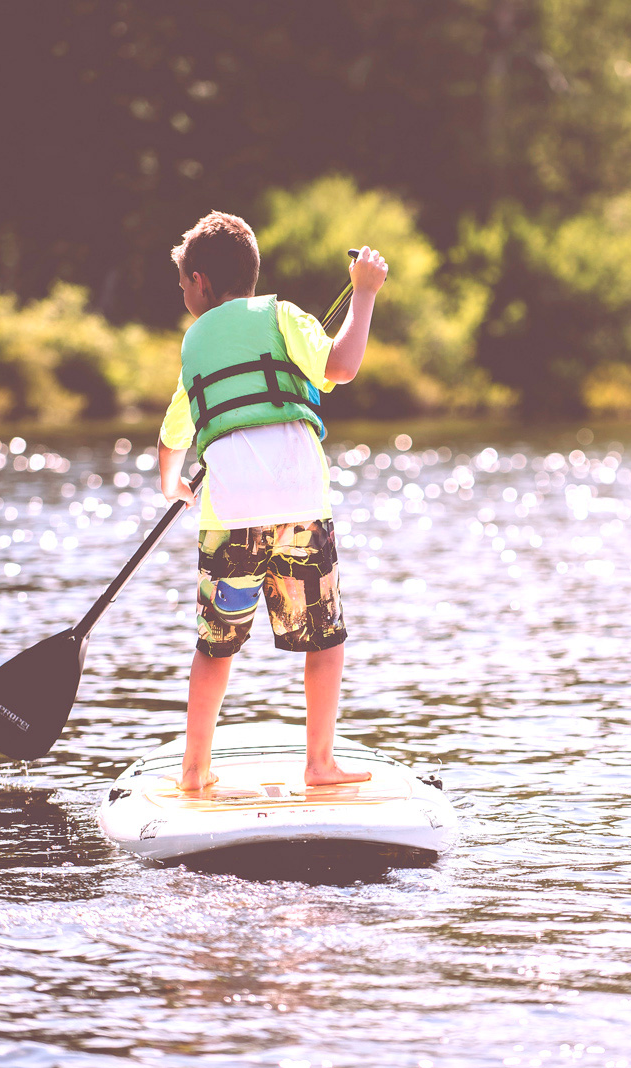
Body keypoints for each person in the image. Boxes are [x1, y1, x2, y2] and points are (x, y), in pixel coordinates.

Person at [156, 209, 387, 792]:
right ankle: (319, 764)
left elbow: (173, 434)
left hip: (229, 519)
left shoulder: (194, 344)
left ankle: (194, 771)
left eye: (183, 281)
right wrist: (363, 297)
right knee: (325, 639)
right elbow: (343, 365)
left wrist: (171, 484)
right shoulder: (283, 316)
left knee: (215, 649)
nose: (183, 292)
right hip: (301, 510)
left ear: (201, 281)